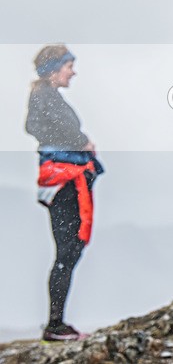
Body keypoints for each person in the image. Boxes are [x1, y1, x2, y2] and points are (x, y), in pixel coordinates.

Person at [25, 45, 104, 342]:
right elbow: (33, 126)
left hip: (65, 181)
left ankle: (57, 322)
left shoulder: (49, 97)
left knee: (70, 251)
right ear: (54, 68)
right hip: (62, 182)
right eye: (69, 65)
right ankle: (55, 325)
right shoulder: (43, 96)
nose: (73, 71)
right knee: (66, 252)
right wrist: (79, 141)